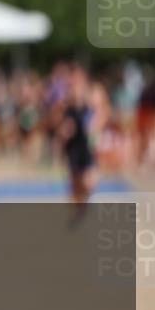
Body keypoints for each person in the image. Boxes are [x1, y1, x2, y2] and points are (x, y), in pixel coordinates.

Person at [55, 64, 96, 207]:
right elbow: (59, 123)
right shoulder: (66, 102)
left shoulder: (92, 97)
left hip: (86, 146)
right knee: (75, 183)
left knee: (88, 183)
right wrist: (63, 133)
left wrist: (95, 126)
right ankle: (78, 209)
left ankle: (82, 204)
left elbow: (102, 113)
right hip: (73, 147)